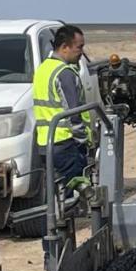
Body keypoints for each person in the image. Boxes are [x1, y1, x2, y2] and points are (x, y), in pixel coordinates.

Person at [33, 24, 94, 189]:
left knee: (55, 194)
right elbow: (73, 113)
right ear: (65, 47)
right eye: (79, 47)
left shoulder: (43, 69)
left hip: (46, 144)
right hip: (66, 144)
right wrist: (83, 141)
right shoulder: (64, 73)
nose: (81, 52)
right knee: (73, 193)